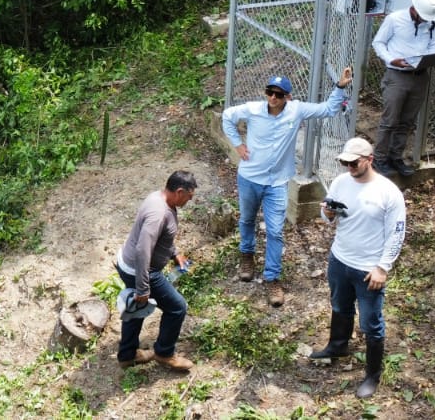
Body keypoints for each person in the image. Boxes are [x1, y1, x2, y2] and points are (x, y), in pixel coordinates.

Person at [223, 66, 354, 307]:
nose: (273, 97)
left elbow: (327, 109)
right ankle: (247, 256)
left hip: (277, 182)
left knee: (275, 230)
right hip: (250, 177)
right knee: (247, 219)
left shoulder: (296, 110)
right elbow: (227, 116)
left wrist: (340, 87)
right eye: (270, 92)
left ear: (288, 97)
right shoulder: (252, 109)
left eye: (279, 94)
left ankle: (272, 277)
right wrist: (237, 144)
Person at [308, 137, 407, 399]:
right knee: (339, 306)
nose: (349, 166)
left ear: (369, 160)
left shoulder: (388, 193)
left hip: (368, 269)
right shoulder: (341, 182)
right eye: (345, 162)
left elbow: (397, 234)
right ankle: (337, 346)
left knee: (370, 323)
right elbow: (328, 216)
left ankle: (373, 375)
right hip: (340, 259)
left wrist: (382, 268)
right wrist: (327, 214)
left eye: (354, 162)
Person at [115, 170, 199, 372]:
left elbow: (161, 239)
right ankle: (164, 353)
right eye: (189, 197)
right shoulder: (159, 214)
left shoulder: (158, 198)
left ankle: (127, 355)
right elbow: (143, 250)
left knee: (137, 308)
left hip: (128, 263)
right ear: (179, 191)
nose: (189, 201)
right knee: (177, 307)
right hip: (141, 270)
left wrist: (175, 254)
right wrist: (143, 288)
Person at [371, 0, 435, 177]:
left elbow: (432, 43)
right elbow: (378, 43)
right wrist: (390, 59)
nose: (427, 20)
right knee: (390, 120)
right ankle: (379, 159)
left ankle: (396, 157)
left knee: (406, 121)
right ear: (414, 9)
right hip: (397, 75)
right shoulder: (395, 19)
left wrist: (431, 57)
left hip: (420, 75)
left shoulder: (431, 23)